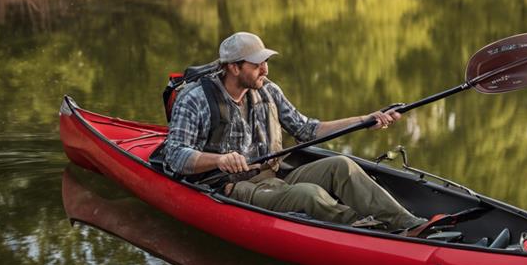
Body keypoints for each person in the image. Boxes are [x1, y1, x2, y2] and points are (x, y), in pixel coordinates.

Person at [162, 32, 426, 232]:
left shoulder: (268, 90)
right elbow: (174, 155)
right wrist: (219, 160)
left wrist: (366, 119)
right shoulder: (195, 99)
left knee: (341, 165)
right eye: (257, 64)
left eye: (265, 62)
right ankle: (377, 233)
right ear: (234, 67)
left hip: (275, 176)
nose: (265, 69)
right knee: (309, 194)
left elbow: (308, 129)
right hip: (232, 187)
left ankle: (410, 224)